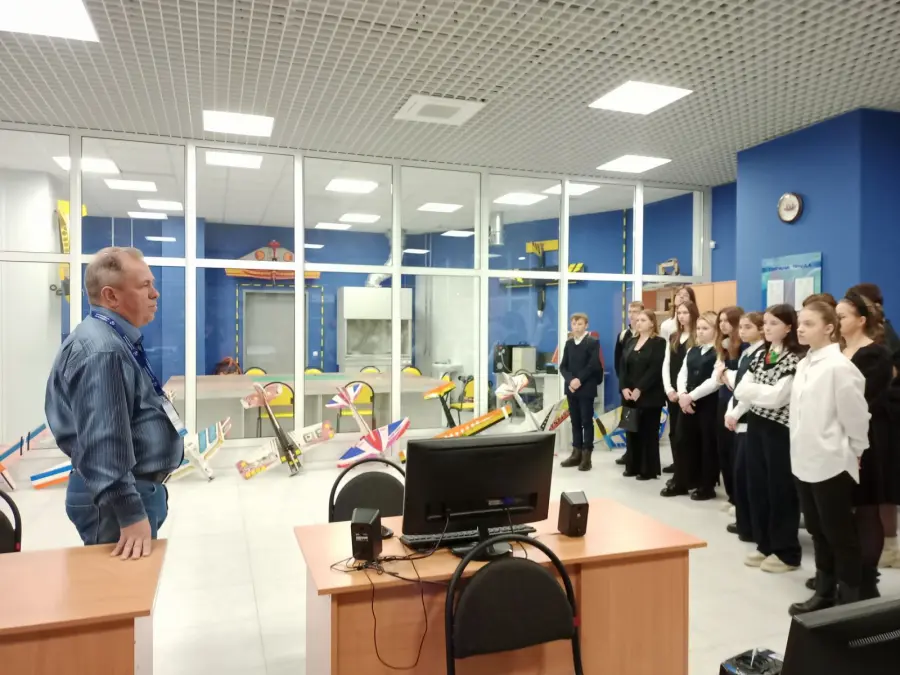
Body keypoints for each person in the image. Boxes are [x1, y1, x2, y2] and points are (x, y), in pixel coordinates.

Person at [45, 247, 185, 560]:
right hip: (117, 501)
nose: (155, 294)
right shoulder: (103, 351)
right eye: (144, 286)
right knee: (117, 586)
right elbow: (104, 442)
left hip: (125, 493)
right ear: (111, 296)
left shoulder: (110, 338)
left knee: (126, 587)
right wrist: (130, 513)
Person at [788, 301, 870, 615]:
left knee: (839, 533)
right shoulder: (805, 363)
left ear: (829, 328)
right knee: (817, 530)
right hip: (803, 460)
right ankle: (824, 590)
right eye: (800, 323)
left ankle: (849, 599)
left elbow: (856, 416)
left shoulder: (839, 367)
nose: (800, 329)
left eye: (808, 323)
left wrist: (856, 450)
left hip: (831, 462)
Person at [734, 304, 805, 573]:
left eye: (773, 323)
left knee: (780, 490)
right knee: (758, 487)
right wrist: (759, 392)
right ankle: (765, 544)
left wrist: (755, 391)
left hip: (780, 430)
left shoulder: (795, 358)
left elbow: (778, 397)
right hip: (757, 424)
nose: (767, 328)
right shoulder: (762, 354)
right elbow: (741, 390)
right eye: (765, 323)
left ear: (788, 327)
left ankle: (786, 551)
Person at [837, 292, 898, 588]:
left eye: (841, 317)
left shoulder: (876, 354)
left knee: (865, 506)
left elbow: (863, 399)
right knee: (843, 508)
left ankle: (866, 579)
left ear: (861, 320)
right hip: (836, 436)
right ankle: (845, 574)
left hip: (867, 438)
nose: (836, 321)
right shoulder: (836, 352)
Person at [662, 311, 721, 499]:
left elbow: (715, 381)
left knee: (706, 444)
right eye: (699, 328)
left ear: (715, 330)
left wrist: (691, 396)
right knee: (683, 442)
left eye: (705, 328)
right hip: (687, 403)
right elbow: (682, 374)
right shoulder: (692, 350)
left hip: (707, 404)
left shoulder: (719, 353)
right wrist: (682, 395)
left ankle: (706, 485)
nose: (700, 332)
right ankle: (682, 481)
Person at [722, 312, 766, 542]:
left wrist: (736, 412)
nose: (742, 331)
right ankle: (744, 522)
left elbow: (751, 392)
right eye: (741, 327)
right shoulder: (747, 353)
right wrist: (731, 412)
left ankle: (751, 526)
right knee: (740, 475)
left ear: (761, 329)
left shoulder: (762, 354)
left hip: (750, 421)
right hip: (739, 418)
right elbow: (739, 388)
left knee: (748, 476)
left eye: (748, 327)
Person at [620, 310, 667, 480]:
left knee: (647, 432)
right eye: (637, 320)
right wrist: (624, 387)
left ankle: (648, 469)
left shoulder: (659, 343)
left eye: (643, 320)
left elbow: (655, 369)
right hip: (629, 395)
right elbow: (623, 367)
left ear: (652, 323)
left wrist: (640, 388)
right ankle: (633, 465)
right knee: (631, 431)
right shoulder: (631, 341)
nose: (638, 322)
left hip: (649, 395)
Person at [559, 312, 603, 471]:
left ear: (586, 325)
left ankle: (586, 456)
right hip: (571, 388)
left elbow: (593, 365)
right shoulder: (569, 343)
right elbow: (563, 366)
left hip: (586, 388)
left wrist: (579, 380)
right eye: (574, 324)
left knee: (586, 421)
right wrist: (571, 380)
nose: (576, 327)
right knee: (575, 421)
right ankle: (576, 453)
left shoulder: (592, 342)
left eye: (579, 324)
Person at [662, 300, 699, 476]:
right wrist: (669, 389)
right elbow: (666, 364)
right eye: (679, 313)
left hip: (689, 391)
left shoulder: (697, 337)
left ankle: (690, 470)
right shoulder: (674, 337)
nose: (682, 316)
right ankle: (678, 466)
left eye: (685, 312)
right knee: (674, 432)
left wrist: (684, 392)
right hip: (673, 392)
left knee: (688, 433)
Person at [715, 306, 745, 508]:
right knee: (724, 450)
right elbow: (718, 376)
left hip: (736, 403)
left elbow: (736, 381)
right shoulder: (723, 346)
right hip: (722, 400)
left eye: (727, 321)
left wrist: (724, 374)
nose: (723, 325)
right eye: (720, 321)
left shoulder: (743, 347)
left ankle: (738, 499)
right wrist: (723, 374)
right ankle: (731, 496)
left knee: (735, 453)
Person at [614, 301, 644, 466]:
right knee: (628, 421)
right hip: (626, 388)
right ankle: (629, 452)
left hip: (642, 388)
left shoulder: (646, 335)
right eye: (630, 311)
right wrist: (623, 385)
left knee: (641, 423)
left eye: (636, 311)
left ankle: (641, 455)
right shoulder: (623, 335)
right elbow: (618, 362)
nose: (632, 315)